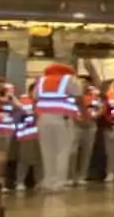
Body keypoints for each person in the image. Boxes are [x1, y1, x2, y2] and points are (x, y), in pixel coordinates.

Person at [30, 57, 80, 191]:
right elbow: (79, 97)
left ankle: (48, 180)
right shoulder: (68, 80)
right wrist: (84, 115)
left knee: (47, 151)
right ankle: (59, 183)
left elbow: (34, 99)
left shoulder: (41, 81)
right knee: (63, 151)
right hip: (62, 119)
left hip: (43, 119)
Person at [70, 76, 102, 184]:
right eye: (80, 82)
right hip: (75, 125)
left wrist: (94, 116)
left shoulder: (94, 96)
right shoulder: (71, 96)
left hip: (91, 125)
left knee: (87, 151)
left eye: (85, 83)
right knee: (73, 151)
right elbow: (67, 108)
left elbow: (101, 108)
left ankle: (82, 176)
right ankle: (71, 176)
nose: (83, 85)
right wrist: (76, 118)